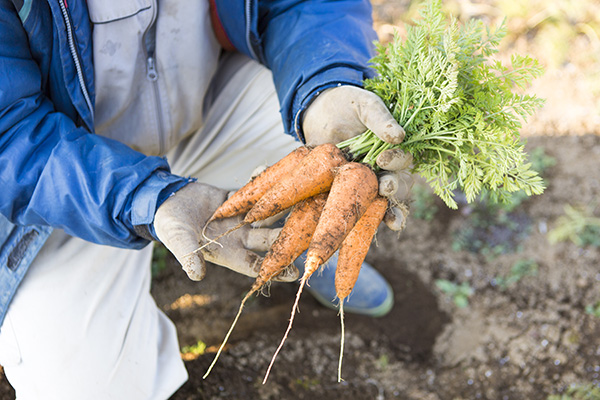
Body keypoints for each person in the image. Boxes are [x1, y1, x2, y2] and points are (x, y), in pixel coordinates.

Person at [0, 0, 409, 398]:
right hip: (71, 180)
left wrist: (325, 83)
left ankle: (307, 238)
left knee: (344, 144)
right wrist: (147, 197)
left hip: (207, 97)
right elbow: (10, 136)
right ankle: (293, 231)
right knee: (88, 389)